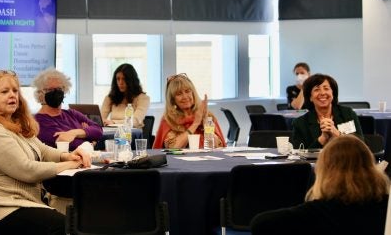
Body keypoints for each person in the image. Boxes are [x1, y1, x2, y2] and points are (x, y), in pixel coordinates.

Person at [0, 70, 91, 234]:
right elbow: (27, 170)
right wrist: (71, 164)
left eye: (15, 91)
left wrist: (67, 155)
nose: (12, 95)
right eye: (5, 92)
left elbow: (42, 149)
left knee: (78, 220)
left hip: (23, 202)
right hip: (3, 208)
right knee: (64, 226)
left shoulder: (12, 122)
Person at [251, 134, 389, 235]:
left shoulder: (315, 213)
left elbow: (260, 223)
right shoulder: (386, 207)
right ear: (371, 167)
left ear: (324, 170)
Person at [33, 68, 103, 151]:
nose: (56, 92)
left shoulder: (72, 113)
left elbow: (98, 130)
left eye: (59, 89)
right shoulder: (39, 122)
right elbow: (71, 145)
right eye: (50, 90)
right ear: (40, 93)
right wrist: (89, 136)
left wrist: (74, 133)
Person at [152, 73, 225, 149]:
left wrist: (205, 123)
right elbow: (174, 148)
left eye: (187, 91)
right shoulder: (169, 119)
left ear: (193, 93)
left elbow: (218, 146)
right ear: (172, 100)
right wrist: (196, 123)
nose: (185, 96)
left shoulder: (207, 115)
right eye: (179, 94)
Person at [291, 73, 363, 149]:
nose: (322, 93)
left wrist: (338, 134)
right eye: (317, 89)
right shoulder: (300, 123)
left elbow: (361, 145)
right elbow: (299, 155)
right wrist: (322, 139)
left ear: (333, 94)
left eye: (326, 88)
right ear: (310, 97)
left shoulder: (347, 114)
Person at [101, 63, 150, 128]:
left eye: (124, 79)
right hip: (112, 133)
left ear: (131, 81)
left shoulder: (143, 98)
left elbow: (135, 121)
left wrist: (114, 122)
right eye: (118, 79)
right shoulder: (110, 98)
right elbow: (100, 119)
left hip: (133, 134)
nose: (120, 83)